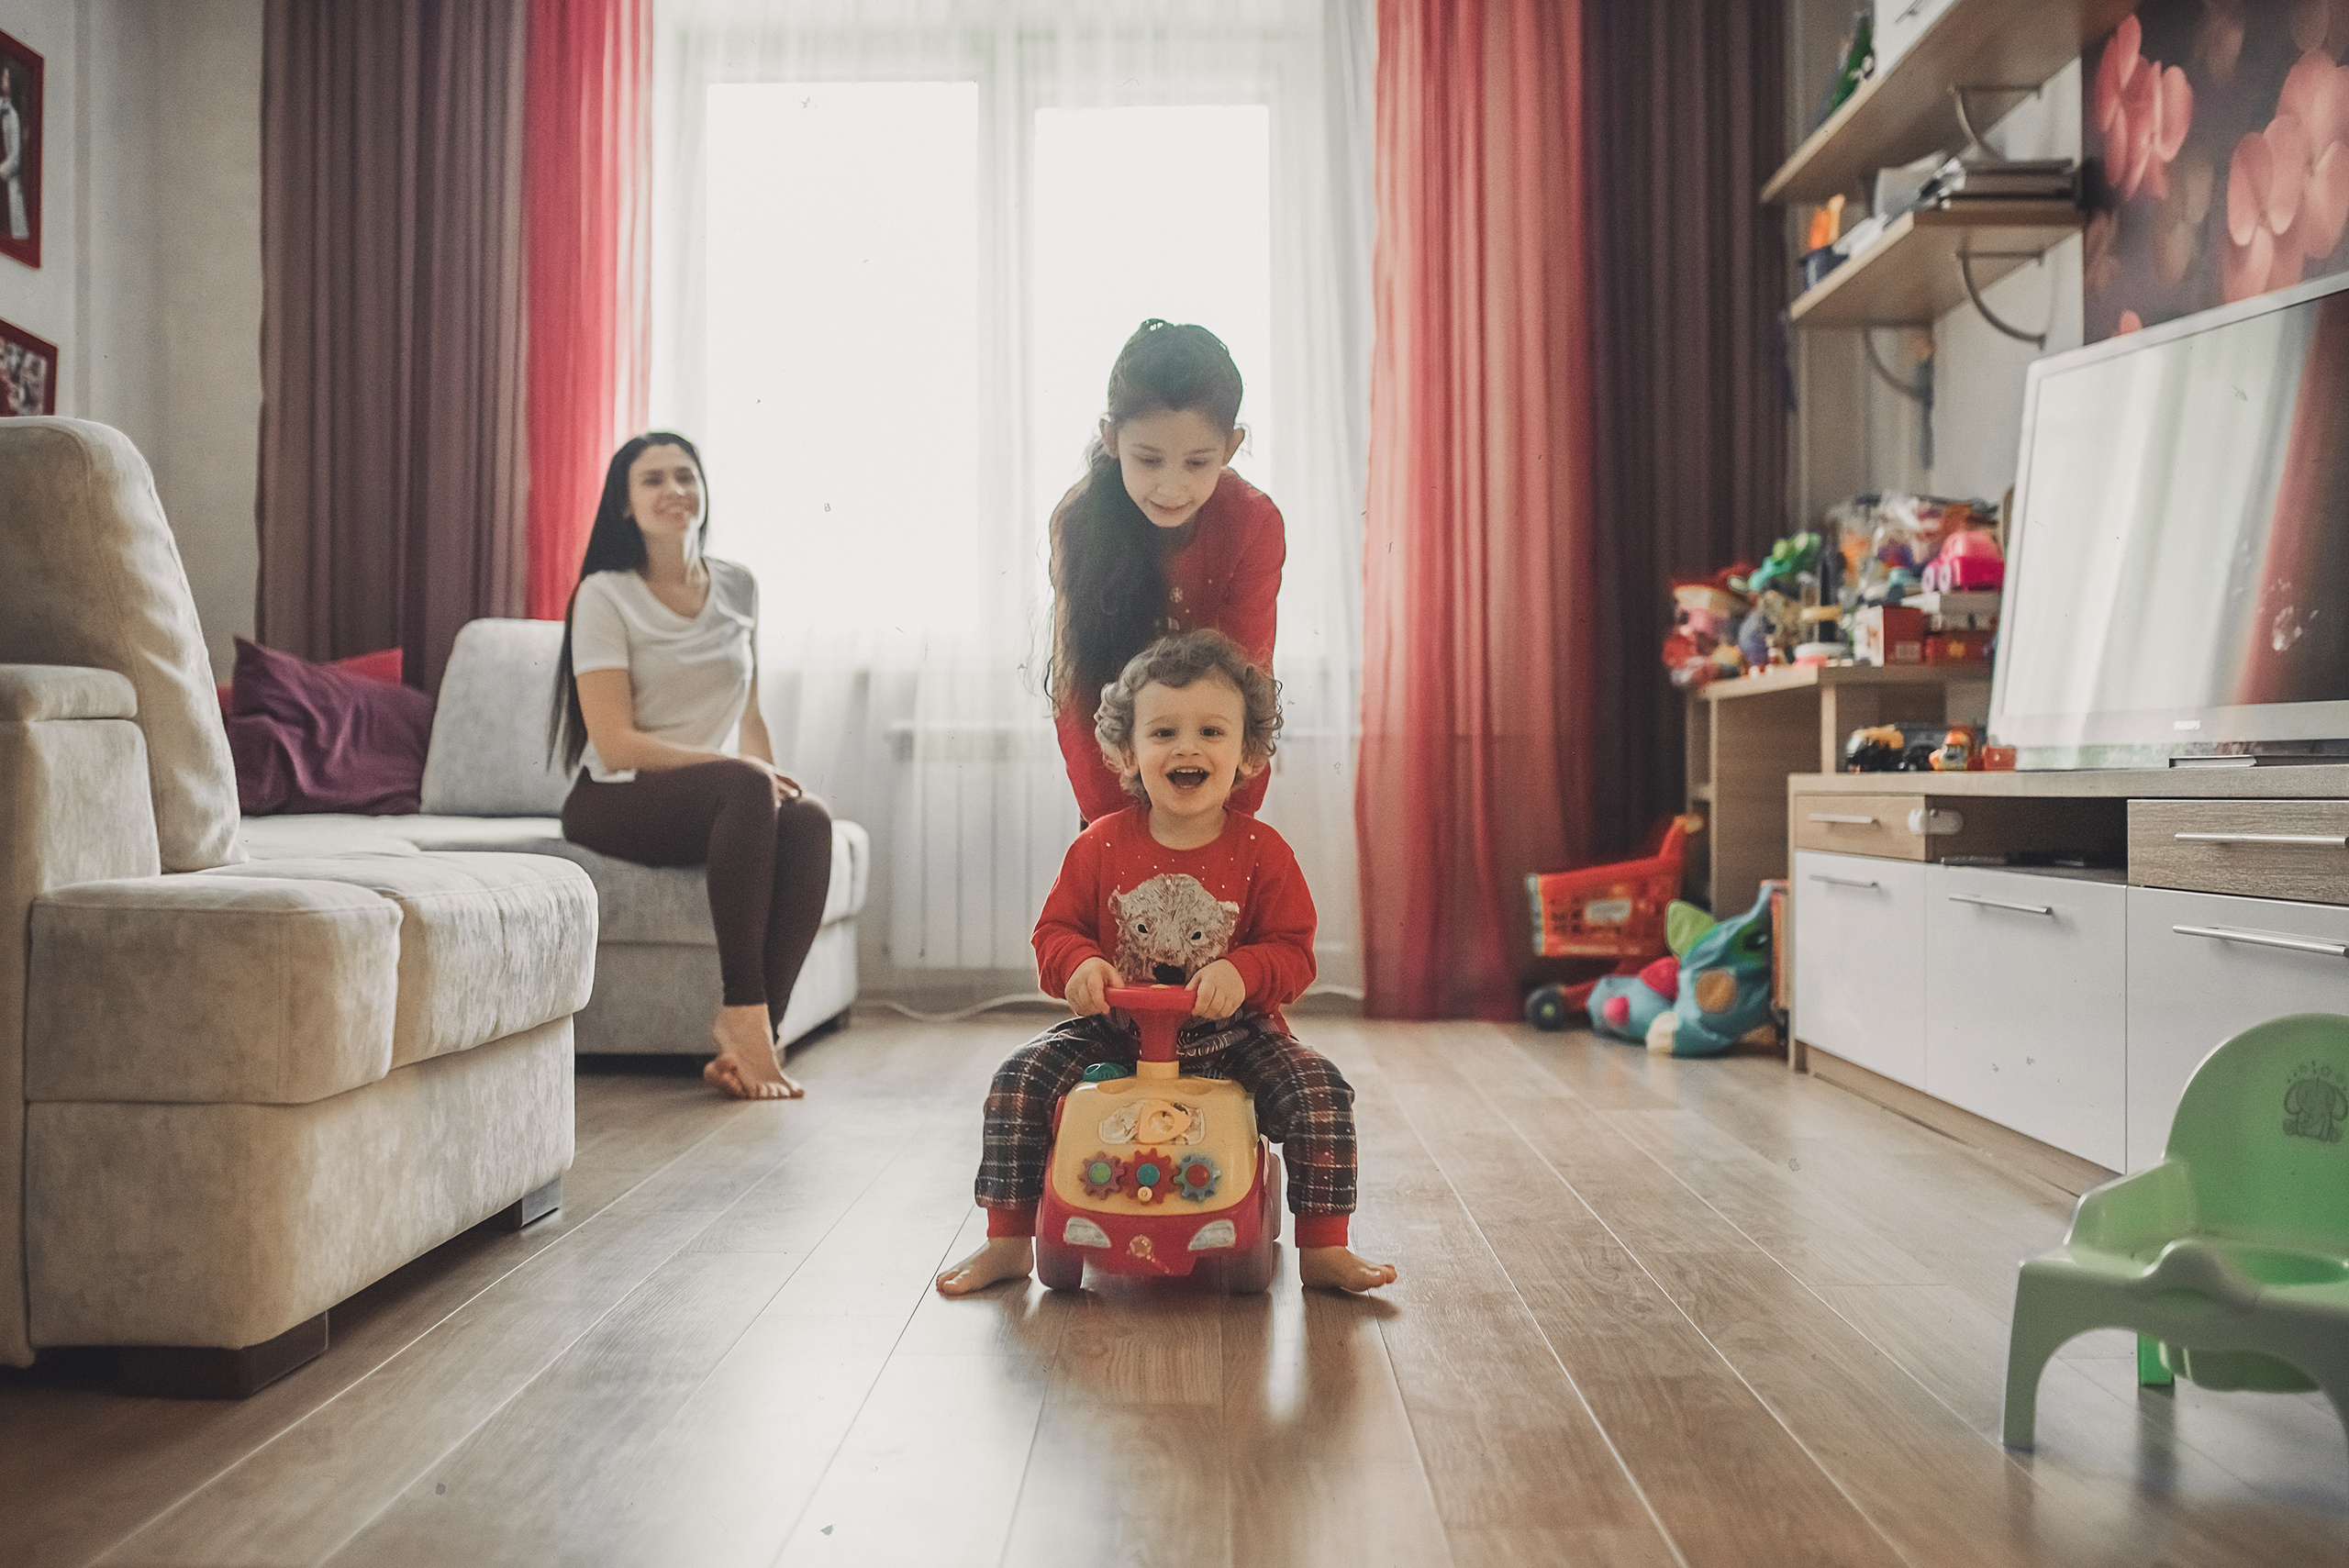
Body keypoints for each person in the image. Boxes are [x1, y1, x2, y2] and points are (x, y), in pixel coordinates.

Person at [937, 629, 1397, 1296]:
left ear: (1248, 753)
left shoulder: (1264, 854)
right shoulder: (1097, 847)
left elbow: (1294, 951)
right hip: (1115, 1034)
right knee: (1019, 1077)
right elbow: (1055, 930)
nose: (1187, 747)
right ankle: (1008, 1239)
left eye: (1212, 731)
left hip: (1233, 1036)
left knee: (1318, 1090)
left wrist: (1242, 973)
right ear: (1127, 751)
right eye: (1163, 733)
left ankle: (1325, 1245)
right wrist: (1081, 967)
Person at [547, 432, 833, 1101]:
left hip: (710, 791)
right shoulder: (604, 594)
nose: (674, 489)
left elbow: (751, 717)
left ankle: (755, 1037)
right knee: (744, 780)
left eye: (686, 475)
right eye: (653, 480)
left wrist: (770, 791)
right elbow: (615, 743)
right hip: (614, 796)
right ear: (625, 503)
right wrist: (743, 776)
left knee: (811, 820)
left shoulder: (739, 586)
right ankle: (740, 1014)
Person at [1048, 319, 1284, 825]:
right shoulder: (1079, 521)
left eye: (1197, 464)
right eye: (1149, 460)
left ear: (1230, 446)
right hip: (1115, 788)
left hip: (1218, 792)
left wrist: (1231, 822)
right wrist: (1116, 827)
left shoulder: (1253, 524)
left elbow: (1251, 686)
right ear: (1111, 439)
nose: (1171, 487)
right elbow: (1076, 693)